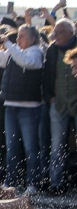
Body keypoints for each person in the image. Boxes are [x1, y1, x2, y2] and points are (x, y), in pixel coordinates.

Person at [0, 25, 45, 193]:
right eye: (18, 36)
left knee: (30, 147)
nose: (18, 40)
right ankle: (11, 181)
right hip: (10, 106)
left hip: (29, 108)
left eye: (23, 36)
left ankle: (32, 183)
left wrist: (9, 44)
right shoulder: (13, 51)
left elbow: (26, 61)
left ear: (33, 39)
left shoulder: (36, 52)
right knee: (11, 147)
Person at [44, 18, 77, 195]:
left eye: (60, 32)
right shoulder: (51, 50)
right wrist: (49, 97)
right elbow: (47, 75)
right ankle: (56, 183)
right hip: (58, 104)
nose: (55, 36)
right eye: (55, 32)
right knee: (57, 146)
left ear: (71, 34)